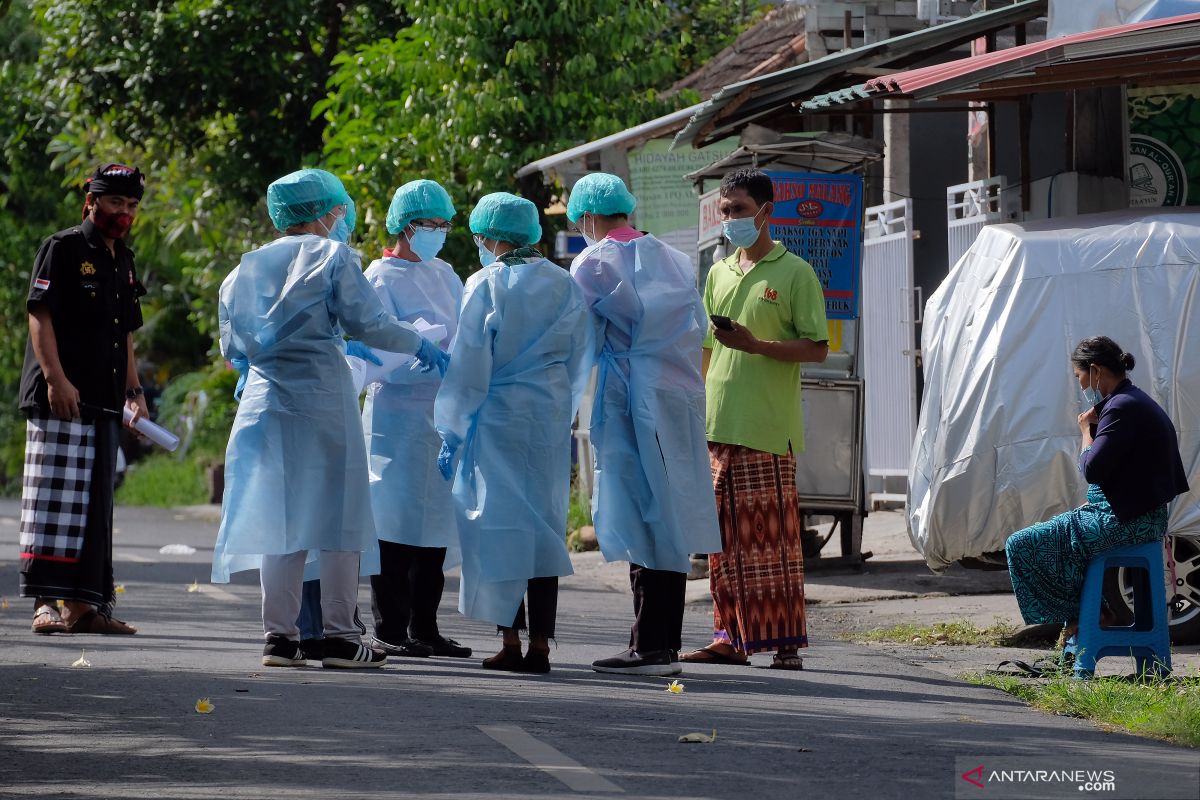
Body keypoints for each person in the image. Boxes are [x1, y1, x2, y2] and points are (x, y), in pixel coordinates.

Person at [212, 168, 449, 669]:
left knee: (282, 523)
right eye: (338, 208)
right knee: (340, 520)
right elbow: (371, 322)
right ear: (323, 211)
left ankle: (279, 638)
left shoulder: (243, 269)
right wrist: (417, 342)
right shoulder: (333, 256)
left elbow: (232, 345)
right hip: (320, 399)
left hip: (263, 405)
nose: (343, 217)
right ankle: (342, 638)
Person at [565, 173, 721, 676]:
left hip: (629, 394)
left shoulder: (593, 262)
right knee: (668, 512)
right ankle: (659, 641)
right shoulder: (672, 257)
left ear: (586, 216)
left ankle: (651, 645)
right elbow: (698, 331)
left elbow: (574, 335)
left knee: (641, 514)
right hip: (675, 394)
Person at [434, 192, 591, 674]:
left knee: (498, 529)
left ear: (491, 236)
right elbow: (580, 356)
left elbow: (469, 362)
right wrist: (562, 407)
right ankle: (541, 642)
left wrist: (452, 428)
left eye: (480, 235)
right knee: (544, 528)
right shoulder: (564, 284)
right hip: (545, 414)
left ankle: (510, 639)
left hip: (498, 413)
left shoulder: (485, 284)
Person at [681, 168, 829, 671]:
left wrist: (757, 345)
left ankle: (785, 642)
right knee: (719, 541)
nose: (730, 220)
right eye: (725, 212)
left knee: (772, 540)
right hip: (717, 426)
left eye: (739, 210)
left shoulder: (796, 273)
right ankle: (729, 637)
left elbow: (818, 347)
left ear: (766, 212)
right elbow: (704, 351)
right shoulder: (719, 273)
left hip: (767, 428)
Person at [18, 163, 150, 636]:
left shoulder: (125, 260)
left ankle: (82, 607)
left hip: (105, 400)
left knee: (94, 506)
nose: (124, 213)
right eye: (115, 202)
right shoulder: (63, 248)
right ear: (92, 201)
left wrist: (134, 393)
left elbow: (127, 335)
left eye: (132, 205)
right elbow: (40, 315)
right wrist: (55, 379)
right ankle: (44, 604)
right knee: (52, 499)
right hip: (60, 398)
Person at [1005, 336, 1189, 651]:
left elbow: (1091, 468)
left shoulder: (1120, 408)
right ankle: (1089, 613)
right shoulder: (1131, 401)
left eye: (1079, 377)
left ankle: (1083, 616)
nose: (1080, 386)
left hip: (1129, 521)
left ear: (1095, 370)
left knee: (1021, 543)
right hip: (1135, 515)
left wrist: (1084, 431)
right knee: (1058, 534)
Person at [362, 179, 471, 660]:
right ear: (406, 226)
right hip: (395, 419)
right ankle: (391, 629)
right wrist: (418, 357)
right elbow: (374, 352)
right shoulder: (378, 278)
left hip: (440, 415)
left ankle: (426, 627)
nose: (440, 232)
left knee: (435, 530)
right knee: (394, 528)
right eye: (432, 224)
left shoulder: (446, 273)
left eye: (445, 224)